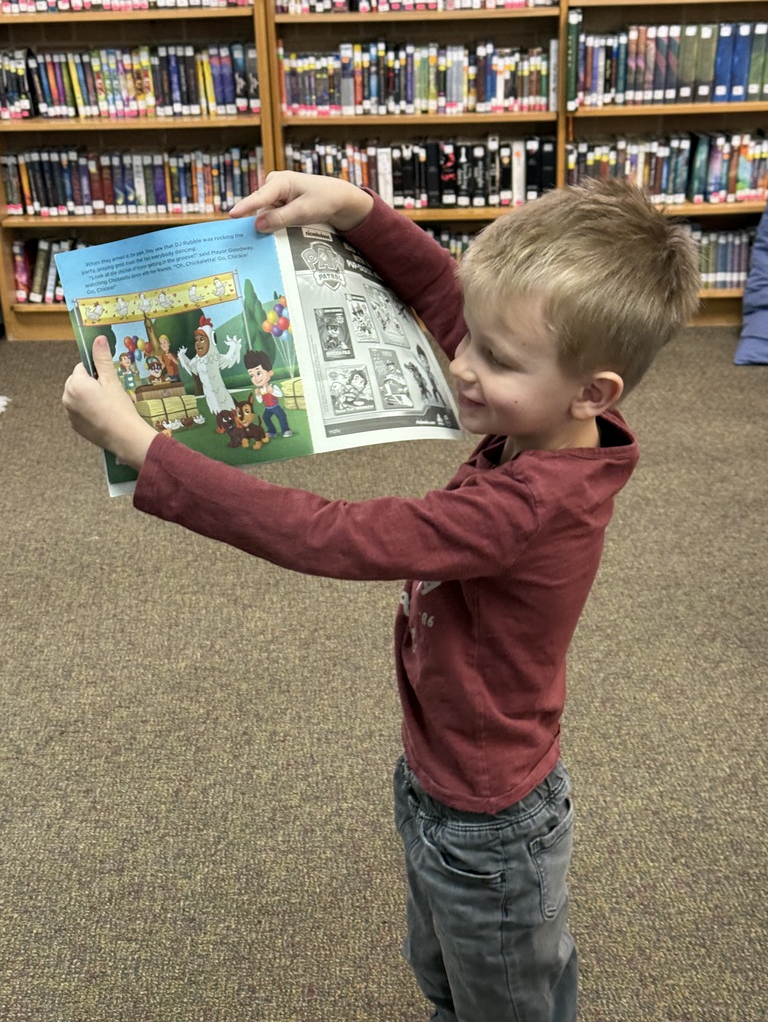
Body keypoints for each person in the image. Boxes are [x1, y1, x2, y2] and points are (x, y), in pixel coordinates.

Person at [62, 171, 700, 1022]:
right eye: (469, 336)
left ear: (595, 392)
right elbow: (445, 291)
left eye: (495, 358)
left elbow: (337, 535)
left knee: (507, 1000)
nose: (461, 363)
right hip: (444, 777)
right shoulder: (542, 410)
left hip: (489, 819)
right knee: (451, 976)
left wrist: (153, 455)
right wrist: (356, 208)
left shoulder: (529, 505)